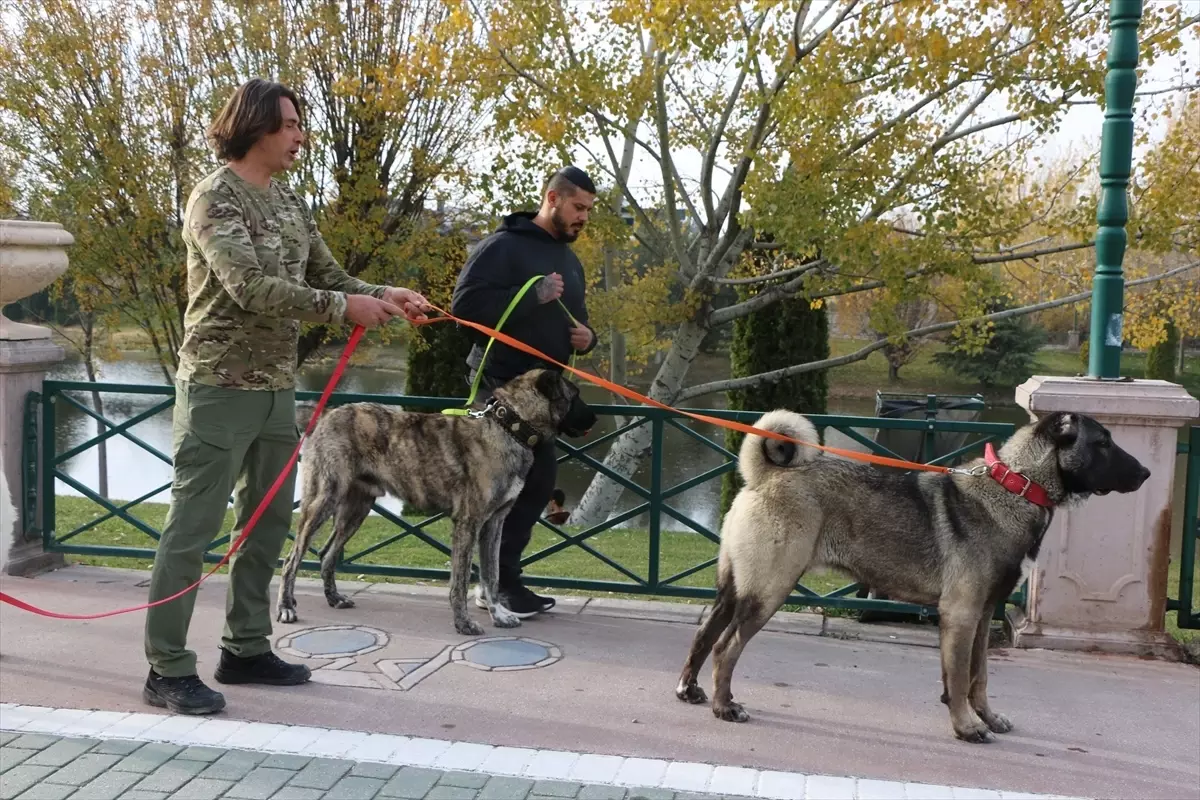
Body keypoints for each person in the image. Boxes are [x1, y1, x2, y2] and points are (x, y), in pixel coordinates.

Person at [142, 78, 431, 716]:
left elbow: (330, 276)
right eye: (292, 124)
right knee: (191, 530)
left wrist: (385, 294)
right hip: (217, 390)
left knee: (266, 524)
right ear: (256, 127)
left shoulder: (290, 202)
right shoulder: (213, 197)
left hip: (277, 390)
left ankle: (245, 647)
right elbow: (249, 286)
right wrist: (343, 307)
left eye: (300, 125)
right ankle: (166, 666)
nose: (301, 136)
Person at [451, 166, 598, 617]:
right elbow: (463, 309)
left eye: (589, 211)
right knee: (520, 485)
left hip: (544, 400)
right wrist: (530, 294)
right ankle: (498, 586)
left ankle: (497, 583)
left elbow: (577, 318)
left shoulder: (569, 259)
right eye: (578, 207)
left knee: (534, 486)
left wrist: (589, 338)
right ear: (552, 198)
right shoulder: (501, 248)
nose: (583, 218)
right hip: (500, 389)